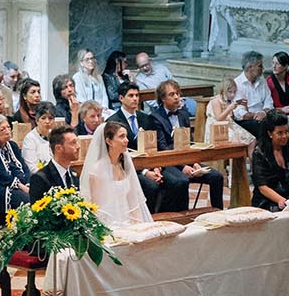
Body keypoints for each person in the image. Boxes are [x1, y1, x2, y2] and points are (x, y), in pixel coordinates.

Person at [142, 80, 224, 210]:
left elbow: (189, 143)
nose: (176, 97)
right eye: (172, 94)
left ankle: (217, 212)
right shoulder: (155, 118)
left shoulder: (183, 114)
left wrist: (194, 162)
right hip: (168, 162)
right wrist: (183, 166)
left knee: (216, 177)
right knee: (182, 181)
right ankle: (181, 215)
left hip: (186, 159)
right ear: (163, 98)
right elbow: (163, 147)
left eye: (177, 93)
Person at [80, 119, 153, 229]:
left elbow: (133, 200)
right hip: (109, 225)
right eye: (121, 136)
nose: (126, 140)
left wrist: (138, 224)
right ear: (109, 141)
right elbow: (97, 209)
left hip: (129, 221)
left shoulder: (124, 165)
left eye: (126, 136)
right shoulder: (97, 170)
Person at [250, 111, 289, 210]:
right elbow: (262, 187)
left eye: (286, 132)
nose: (284, 136)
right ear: (270, 134)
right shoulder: (259, 154)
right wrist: (281, 200)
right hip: (268, 201)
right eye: (280, 133)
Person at [29, 125, 81, 204]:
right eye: (73, 143)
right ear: (58, 148)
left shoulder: (74, 175)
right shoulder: (40, 179)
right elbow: (38, 212)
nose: (78, 146)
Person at [205, 77, 256, 157]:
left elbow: (233, 117)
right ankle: (235, 166)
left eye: (234, 92)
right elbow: (219, 118)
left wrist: (245, 107)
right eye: (230, 92)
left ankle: (252, 165)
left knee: (252, 140)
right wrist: (229, 108)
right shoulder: (216, 100)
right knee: (237, 141)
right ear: (223, 90)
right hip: (217, 127)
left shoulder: (229, 100)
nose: (232, 95)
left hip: (229, 124)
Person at [232, 51, 273, 138]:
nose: (263, 68)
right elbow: (239, 112)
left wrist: (263, 112)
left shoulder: (262, 81)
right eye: (260, 66)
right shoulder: (237, 84)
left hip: (263, 116)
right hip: (246, 120)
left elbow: (268, 101)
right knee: (263, 126)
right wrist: (255, 115)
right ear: (250, 67)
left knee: (281, 122)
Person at [21, 103, 56, 172]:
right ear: (37, 120)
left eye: (50, 118)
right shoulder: (30, 139)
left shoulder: (56, 136)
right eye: (43, 118)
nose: (47, 121)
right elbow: (31, 168)